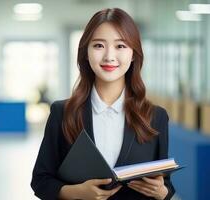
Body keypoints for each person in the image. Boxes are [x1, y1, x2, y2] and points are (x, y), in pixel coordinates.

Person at [31, 8, 175, 200]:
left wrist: (162, 192)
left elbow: (166, 185)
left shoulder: (156, 117)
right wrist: (76, 192)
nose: (109, 56)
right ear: (86, 53)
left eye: (120, 46)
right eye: (99, 45)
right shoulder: (62, 112)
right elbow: (40, 181)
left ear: (133, 54)